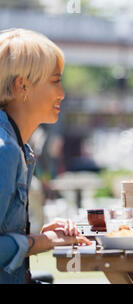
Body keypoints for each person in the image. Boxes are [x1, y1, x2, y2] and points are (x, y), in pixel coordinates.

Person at [0, 28, 90, 284]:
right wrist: (43, 241)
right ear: (22, 85)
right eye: (55, 81)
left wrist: (37, 235)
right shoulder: (5, 150)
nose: (62, 93)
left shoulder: (18, 147)